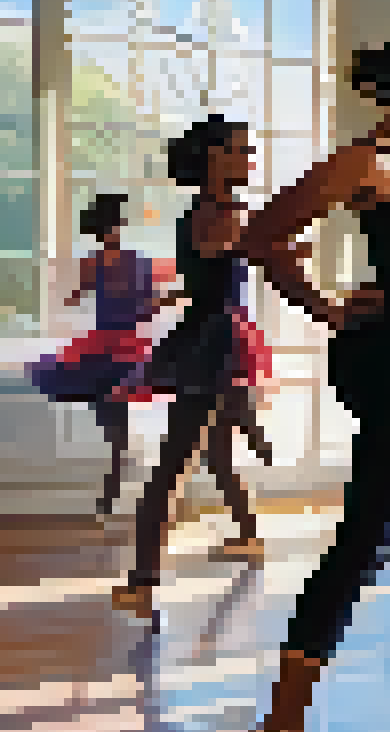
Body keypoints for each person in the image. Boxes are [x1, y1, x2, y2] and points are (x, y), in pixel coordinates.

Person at [240, 25, 390, 732]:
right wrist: (330, 309)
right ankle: (281, 727)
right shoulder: (364, 162)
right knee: (367, 540)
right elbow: (264, 238)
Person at [113, 117, 272, 616]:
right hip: (214, 345)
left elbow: (208, 277)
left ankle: (247, 536)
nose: (250, 158)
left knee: (213, 456)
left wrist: (170, 297)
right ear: (212, 159)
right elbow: (245, 263)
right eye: (240, 150)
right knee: (176, 466)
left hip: (217, 339)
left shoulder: (201, 214)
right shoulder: (227, 215)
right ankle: (142, 583)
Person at [26, 194, 164, 516]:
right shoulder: (138, 261)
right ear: (119, 227)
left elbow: (74, 298)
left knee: (114, 422)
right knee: (118, 424)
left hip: (105, 349)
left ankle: (113, 489)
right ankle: (115, 483)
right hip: (127, 348)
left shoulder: (95, 262)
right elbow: (151, 306)